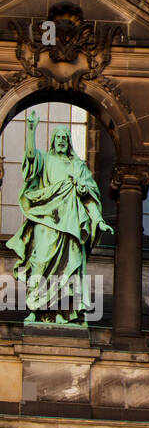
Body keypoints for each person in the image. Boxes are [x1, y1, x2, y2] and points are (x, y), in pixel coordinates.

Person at [6, 111, 112, 323]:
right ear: (53, 141)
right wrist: (31, 130)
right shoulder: (44, 159)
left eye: (65, 137)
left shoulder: (78, 166)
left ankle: (63, 311)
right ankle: (36, 308)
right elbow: (29, 156)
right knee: (39, 262)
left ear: (69, 141)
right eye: (58, 137)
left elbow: (90, 198)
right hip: (45, 220)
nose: (62, 140)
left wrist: (99, 220)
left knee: (69, 268)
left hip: (71, 226)